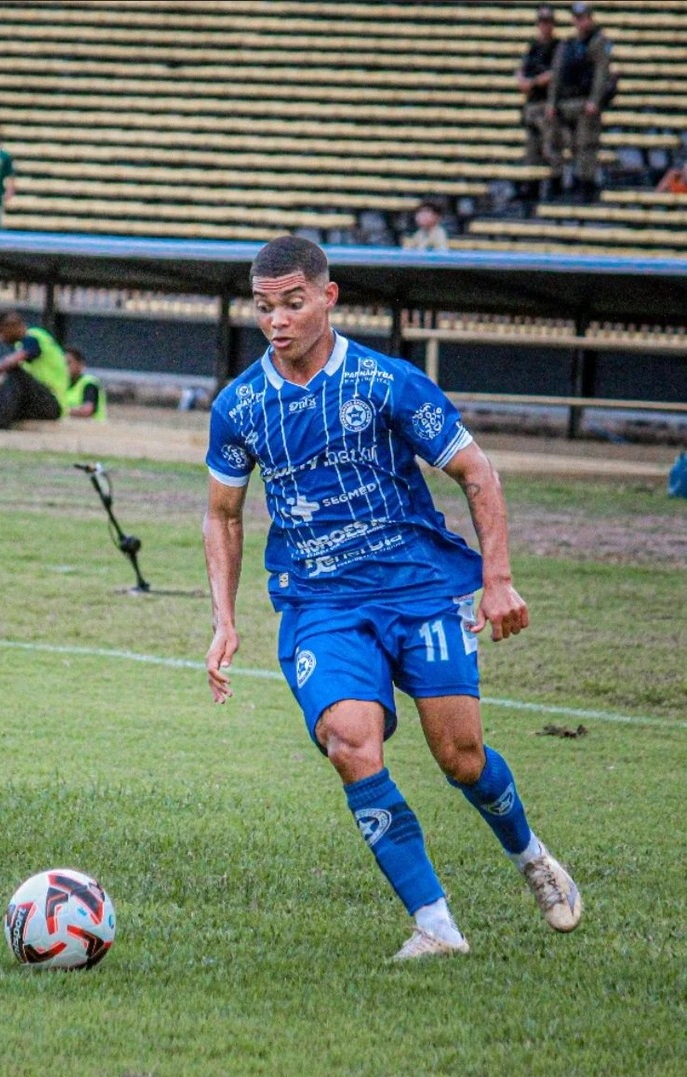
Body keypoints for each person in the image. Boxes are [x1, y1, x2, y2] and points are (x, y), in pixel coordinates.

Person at [203, 235, 582, 960]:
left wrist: (497, 579)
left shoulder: (388, 381)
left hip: (420, 592)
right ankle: (435, 923)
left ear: (327, 297)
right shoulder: (240, 405)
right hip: (321, 605)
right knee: (350, 742)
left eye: (292, 303)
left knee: (461, 757)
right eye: (263, 307)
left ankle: (530, 855)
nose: (277, 320)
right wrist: (223, 620)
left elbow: (476, 473)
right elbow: (223, 514)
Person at [545, 2, 613, 203]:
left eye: (584, 18)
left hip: (585, 102)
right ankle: (565, 183)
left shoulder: (598, 42)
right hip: (567, 102)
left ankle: (586, 184)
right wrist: (551, 102)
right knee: (566, 144)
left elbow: (601, 74)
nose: (581, 22)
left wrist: (595, 100)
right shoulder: (568, 44)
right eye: (578, 18)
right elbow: (557, 74)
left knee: (586, 145)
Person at [0, 311, 69, 430]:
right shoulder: (20, 346)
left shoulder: (34, 337)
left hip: (52, 403)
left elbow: (12, 363)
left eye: (1, 332)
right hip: (36, 403)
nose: (0, 338)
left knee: (14, 371)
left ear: (12, 326)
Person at [515, 5, 559, 210]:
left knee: (550, 148)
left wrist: (532, 83)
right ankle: (530, 191)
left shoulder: (559, 46)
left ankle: (554, 189)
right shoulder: (533, 46)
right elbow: (521, 70)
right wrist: (523, 80)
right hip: (532, 105)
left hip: (547, 104)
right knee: (531, 151)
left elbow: (555, 73)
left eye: (548, 22)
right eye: (542, 22)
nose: (544, 26)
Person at [63, 346, 106, 420]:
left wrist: (61, 410)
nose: (64, 367)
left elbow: (87, 410)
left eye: (68, 363)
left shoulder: (89, 383)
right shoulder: (60, 385)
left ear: (80, 364)